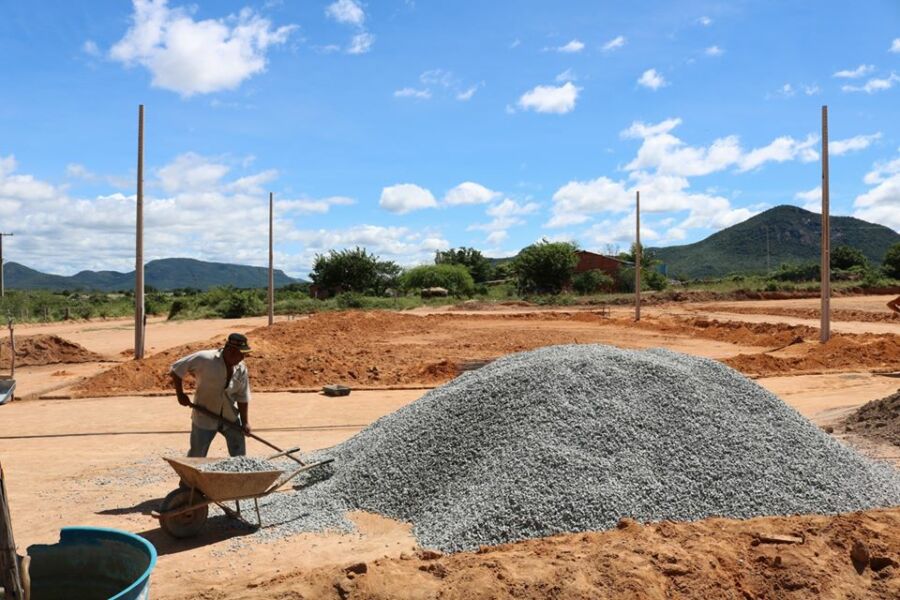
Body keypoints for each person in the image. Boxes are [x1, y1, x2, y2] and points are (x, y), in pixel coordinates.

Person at [170, 333, 252, 458]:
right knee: (197, 455)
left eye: (244, 354)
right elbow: (176, 369)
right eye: (240, 354)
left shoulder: (241, 368)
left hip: (229, 417)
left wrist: (245, 422)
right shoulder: (205, 359)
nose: (242, 358)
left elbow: (242, 396)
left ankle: (240, 476)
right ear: (230, 350)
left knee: (239, 453)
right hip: (204, 416)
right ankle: (189, 477)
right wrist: (180, 394)